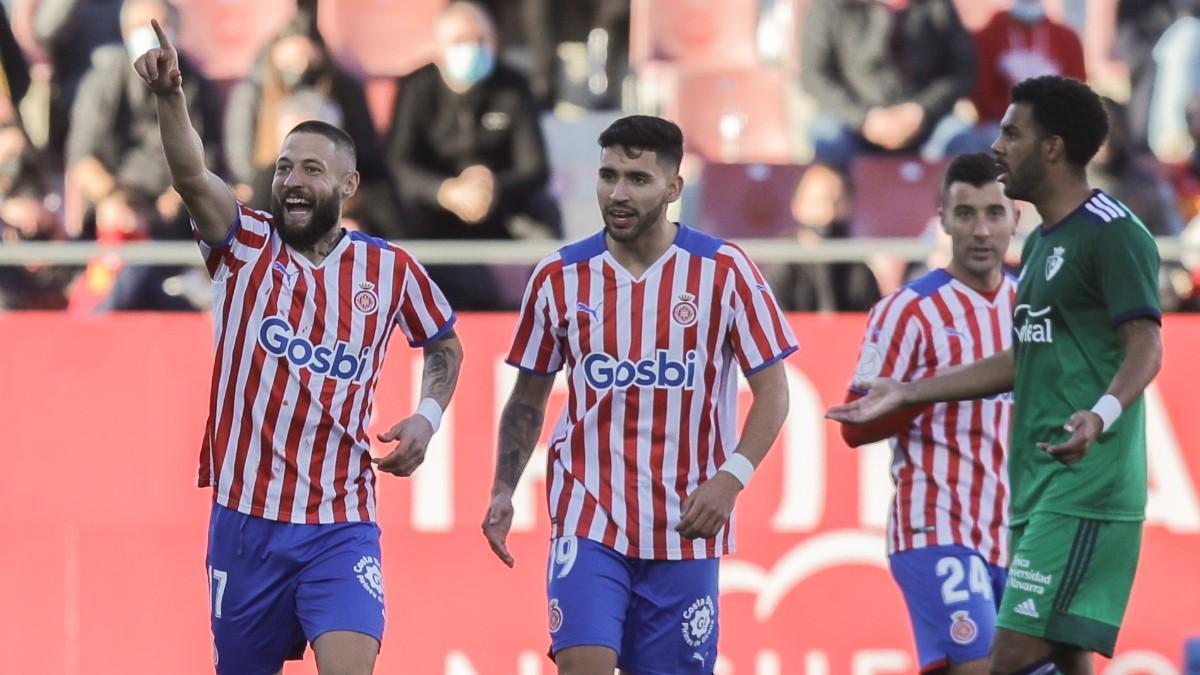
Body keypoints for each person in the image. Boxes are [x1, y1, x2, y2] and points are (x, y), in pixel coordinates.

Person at [134, 20, 464, 675]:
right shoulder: (243, 243)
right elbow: (193, 176)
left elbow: (444, 343)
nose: (291, 180)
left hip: (340, 523)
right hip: (246, 523)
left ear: (347, 186)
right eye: (284, 166)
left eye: (311, 168)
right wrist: (172, 99)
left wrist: (428, 416)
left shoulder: (387, 269)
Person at [828, 75, 1163, 674]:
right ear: (944, 222)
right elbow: (1019, 361)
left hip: (1077, 493)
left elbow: (1147, 345)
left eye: (1013, 132)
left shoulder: (1112, 234)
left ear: (1052, 149)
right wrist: (907, 391)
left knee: (1004, 662)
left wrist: (1101, 413)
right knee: (1051, 661)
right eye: (964, 214)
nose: (1000, 144)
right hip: (999, 504)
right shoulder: (1025, 255)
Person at [480, 115, 796, 674]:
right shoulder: (559, 276)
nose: (618, 193)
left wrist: (731, 480)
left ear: (674, 189)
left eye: (638, 179)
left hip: (687, 525)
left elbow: (773, 393)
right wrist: (504, 488)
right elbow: (528, 398)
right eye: (608, 176)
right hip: (589, 516)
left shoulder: (725, 271)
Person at [838, 153, 1018, 674]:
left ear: (1015, 219)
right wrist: (921, 394)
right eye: (965, 214)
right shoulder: (908, 309)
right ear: (942, 217)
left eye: (994, 213)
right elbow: (855, 427)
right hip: (935, 526)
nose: (981, 230)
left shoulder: (1034, 304)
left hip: (1015, 535)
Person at [386, 1, 561, 310]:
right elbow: (397, 163)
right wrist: (445, 191)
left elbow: (535, 168)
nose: (472, 49)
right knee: (394, 213)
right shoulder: (415, 87)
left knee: (545, 214)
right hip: (435, 209)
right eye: (460, 41)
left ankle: (547, 317)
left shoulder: (515, 86)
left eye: (480, 40)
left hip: (499, 205)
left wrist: (491, 187)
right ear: (439, 50)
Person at [66, 0, 221, 240]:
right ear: (125, 32)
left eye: (159, 26)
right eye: (140, 26)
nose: (149, 34)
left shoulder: (196, 85)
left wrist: (173, 201)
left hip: (178, 209)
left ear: (175, 31)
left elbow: (207, 157)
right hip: (117, 203)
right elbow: (82, 160)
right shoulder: (100, 82)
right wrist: (118, 201)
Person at [800, 0, 977, 169]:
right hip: (854, 123)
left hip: (925, 123)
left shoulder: (936, 5)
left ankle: (947, 200)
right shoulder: (830, 5)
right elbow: (814, 75)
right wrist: (864, 119)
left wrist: (921, 111)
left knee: (960, 138)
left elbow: (961, 70)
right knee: (826, 136)